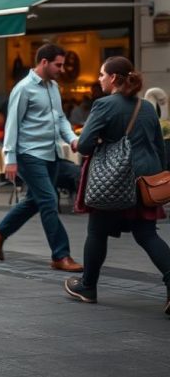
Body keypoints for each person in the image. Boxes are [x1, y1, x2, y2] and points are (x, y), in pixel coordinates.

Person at [63, 57, 170, 314]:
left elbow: (85, 145)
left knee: (97, 232)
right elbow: (158, 146)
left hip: (113, 179)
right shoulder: (146, 107)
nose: (99, 79)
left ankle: (88, 286)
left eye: (101, 74)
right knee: (147, 234)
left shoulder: (104, 105)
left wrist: (99, 141)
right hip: (145, 180)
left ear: (112, 78)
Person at [0, 44, 83, 272]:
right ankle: (61, 255)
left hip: (51, 153)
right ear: (44, 62)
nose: (61, 69)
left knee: (34, 201)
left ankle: (0, 230)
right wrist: (10, 158)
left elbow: (60, 119)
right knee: (49, 201)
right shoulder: (24, 88)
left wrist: (71, 139)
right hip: (29, 154)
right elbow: (12, 125)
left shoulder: (54, 87)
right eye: (58, 65)